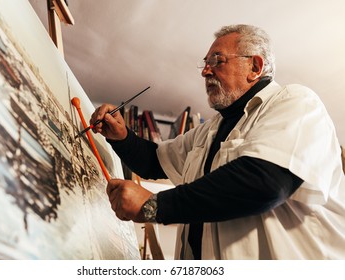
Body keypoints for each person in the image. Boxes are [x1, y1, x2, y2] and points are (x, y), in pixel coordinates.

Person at [90, 24, 345, 259]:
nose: (205, 71)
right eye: (205, 62)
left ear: (255, 67)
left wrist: (154, 206)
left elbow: (264, 182)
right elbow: (154, 162)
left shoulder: (296, 102)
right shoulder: (209, 130)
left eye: (216, 61)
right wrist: (121, 137)